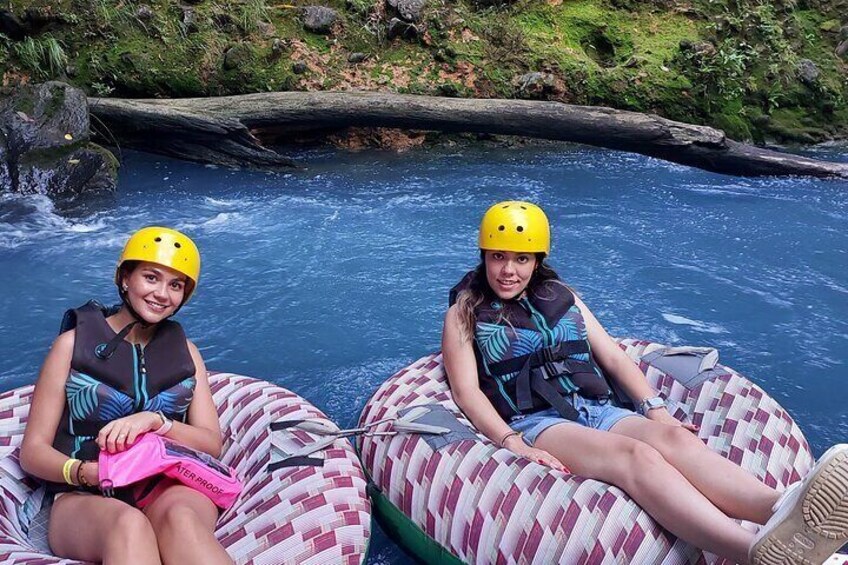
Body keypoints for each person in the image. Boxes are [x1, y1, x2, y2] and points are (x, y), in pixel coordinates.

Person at [441, 200, 848, 565]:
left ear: (537, 260)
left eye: (521, 259)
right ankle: (752, 552)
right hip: (538, 422)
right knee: (638, 457)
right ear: (483, 256)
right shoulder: (465, 312)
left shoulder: (561, 295)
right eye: (498, 257)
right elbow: (467, 392)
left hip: (595, 408)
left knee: (676, 442)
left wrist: (656, 409)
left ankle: (783, 509)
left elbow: (614, 357)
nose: (508, 270)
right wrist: (513, 442)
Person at [20, 226, 233, 565]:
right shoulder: (70, 346)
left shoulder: (188, 354)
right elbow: (32, 452)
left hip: (166, 485)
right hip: (82, 493)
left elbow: (211, 444)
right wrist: (86, 472)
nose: (162, 294)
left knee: (183, 523)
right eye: (151, 277)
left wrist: (155, 422)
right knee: (128, 525)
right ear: (124, 278)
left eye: (175, 285)